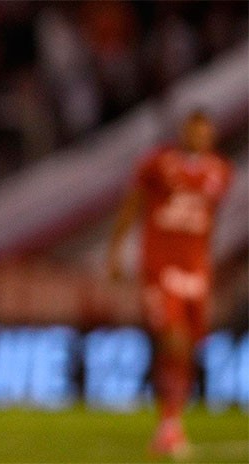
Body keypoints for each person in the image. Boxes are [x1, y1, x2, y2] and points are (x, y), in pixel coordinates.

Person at [108, 110, 233, 458]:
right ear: (183, 132)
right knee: (173, 339)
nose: (198, 137)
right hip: (161, 268)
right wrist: (116, 251)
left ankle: (172, 421)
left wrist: (208, 262)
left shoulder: (221, 172)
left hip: (196, 271)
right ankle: (168, 425)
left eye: (204, 132)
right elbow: (132, 205)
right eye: (193, 131)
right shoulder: (158, 164)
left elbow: (210, 220)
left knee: (189, 346)